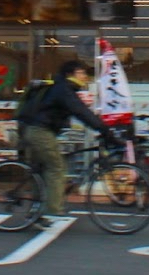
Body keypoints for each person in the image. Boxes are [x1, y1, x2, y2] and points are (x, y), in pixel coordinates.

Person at [17, 59, 116, 228]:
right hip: (39, 131)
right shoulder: (63, 90)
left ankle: (36, 213)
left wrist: (101, 128)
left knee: (43, 169)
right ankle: (51, 211)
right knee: (57, 167)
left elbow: (81, 112)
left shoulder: (62, 88)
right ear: (71, 74)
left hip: (33, 129)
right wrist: (104, 130)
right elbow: (81, 111)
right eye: (82, 73)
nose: (85, 77)